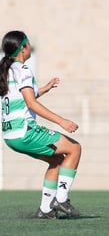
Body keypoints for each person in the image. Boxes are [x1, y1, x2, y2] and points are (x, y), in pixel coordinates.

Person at [0, 30, 81, 219]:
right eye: (28, 44)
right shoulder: (23, 69)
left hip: (10, 136)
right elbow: (31, 103)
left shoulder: (7, 70)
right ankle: (61, 199)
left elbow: (19, 98)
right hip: (25, 131)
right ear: (23, 48)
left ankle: (45, 209)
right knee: (75, 148)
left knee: (56, 161)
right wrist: (63, 121)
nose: (30, 47)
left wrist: (43, 88)